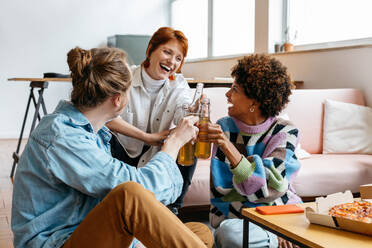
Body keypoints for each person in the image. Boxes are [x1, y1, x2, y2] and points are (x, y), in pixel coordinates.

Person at [11, 46, 213, 248]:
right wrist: (173, 145)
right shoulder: (63, 136)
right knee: (129, 196)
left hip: (89, 231)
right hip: (59, 242)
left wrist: (154, 138)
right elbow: (141, 191)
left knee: (199, 233)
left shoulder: (89, 130)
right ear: (118, 100)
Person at [200, 54, 302, 248]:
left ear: (253, 103)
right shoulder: (225, 128)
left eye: (235, 89)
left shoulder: (285, 132)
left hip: (280, 215)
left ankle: (280, 238)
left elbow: (271, 190)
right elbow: (224, 192)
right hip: (237, 219)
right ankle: (275, 240)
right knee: (230, 234)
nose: (227, 95)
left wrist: (278, 226)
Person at [106, 27, 197, 214]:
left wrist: (192, 111)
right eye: (167, 52)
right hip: (123, 154)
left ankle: (173, 210)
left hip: (158, 156)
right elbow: (103, 115)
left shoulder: (178, 84)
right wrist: (146, 137)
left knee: (191, 139)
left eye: (178, 58)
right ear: (150, 50)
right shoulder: (125, 76)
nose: (172, 61)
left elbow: (184, 109)